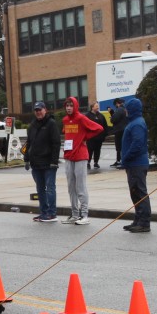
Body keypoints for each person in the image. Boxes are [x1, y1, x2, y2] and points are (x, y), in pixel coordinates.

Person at [60, 96, 104, 225]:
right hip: (68, 156)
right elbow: (67, 133)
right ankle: (74, 214)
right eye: (67, 106)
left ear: (75, 106)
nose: (69, 108)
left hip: (80, 156)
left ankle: (84, 215)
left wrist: (85, 137)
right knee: (71, 187)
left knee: (80, 186)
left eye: (71, 105)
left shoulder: (81, 118)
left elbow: (99, 128)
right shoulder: (65, 120)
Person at [24, 101, 61, 222]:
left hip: (49, 163)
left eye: (40, 110)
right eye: (36, 110)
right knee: (40, 190)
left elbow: (56, 143)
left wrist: (54, 161)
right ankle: (44, 212)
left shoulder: (51, 124)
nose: (38, 112)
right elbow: (29, 143)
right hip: (36, 163)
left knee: (50, 189)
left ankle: (52, 213)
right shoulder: (32, 125)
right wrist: (26, 158)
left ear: (45, 110)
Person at [120, 97, 151, 233]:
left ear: (131, 109)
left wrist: (126, 158)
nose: (125, 111)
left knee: (140, 192)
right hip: (133, 164)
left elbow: (137, 144)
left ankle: (144, 222)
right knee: (135, 193)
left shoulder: (137, 124)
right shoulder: (134, 122)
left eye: (126, 108)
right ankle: (138, 219)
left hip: (137, 163)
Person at [85, 102, 108, 170]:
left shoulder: (101, 115)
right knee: (89, 150)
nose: (98, 107)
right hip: (90, 137)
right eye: (96, 106)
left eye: (98, 106)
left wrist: (104, 135)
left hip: (99, 137)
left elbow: (105, 126)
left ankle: (96, 162)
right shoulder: (87, 116)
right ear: (92, 107)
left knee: (97, 150)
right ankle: (88, 162)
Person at [109, 98, 127, 167]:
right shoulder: (125, 109)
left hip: (119, 130)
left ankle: (119, 161)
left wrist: (111, 115)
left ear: (117, 103)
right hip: (124, 129)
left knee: (118, 146)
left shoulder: (119, 109)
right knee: (123, 146)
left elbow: (113, 119)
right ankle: (121, 160)